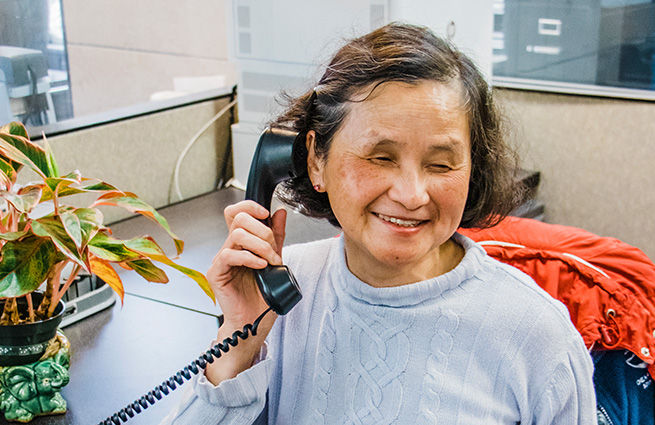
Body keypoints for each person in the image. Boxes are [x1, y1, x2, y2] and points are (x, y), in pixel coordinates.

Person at [162, 23, 597, 424]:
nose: (411, 194)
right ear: (316, 160)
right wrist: (238, 340)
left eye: (441, 164)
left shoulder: (538, 337)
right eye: (381, 157)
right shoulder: (277, 296)